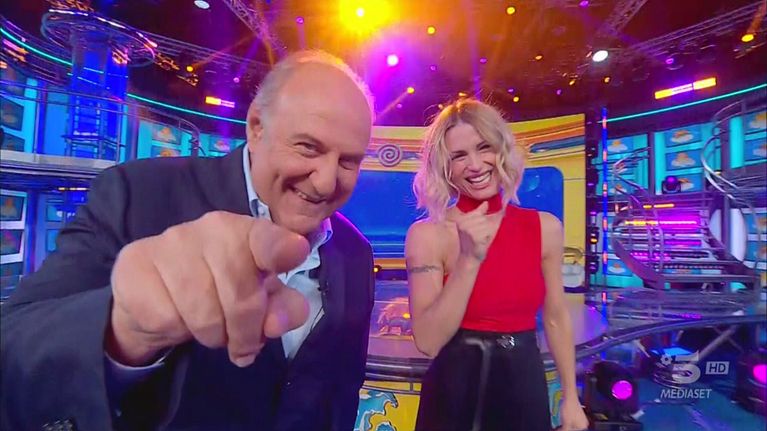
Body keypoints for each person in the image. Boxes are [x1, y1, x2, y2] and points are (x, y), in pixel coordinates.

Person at [1, 50, 376, 431]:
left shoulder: (356, 253)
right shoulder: (139, 194)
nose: (326, 181)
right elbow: (11, 357)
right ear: (256, 128)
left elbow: (342, 391)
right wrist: (125, 329)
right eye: (308, 147)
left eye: (348, 161)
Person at [405, 98, 590, 431]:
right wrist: (468, 259)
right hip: (454, 390)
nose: (475, 165)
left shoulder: (545, 228)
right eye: (459, 156)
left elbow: (556, 317)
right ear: (444, 167)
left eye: (484, 147)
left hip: (522, 382)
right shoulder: (428, 235)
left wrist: (571, 398)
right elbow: (428, 341)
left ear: (502, 149)